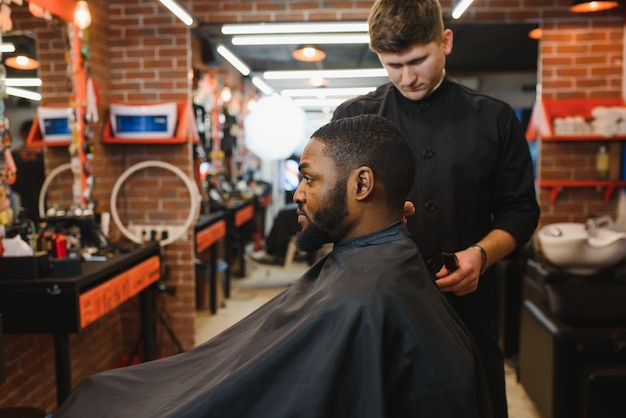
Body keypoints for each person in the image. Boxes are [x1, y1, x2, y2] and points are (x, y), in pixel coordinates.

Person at [53, 114, 493, 418]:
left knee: (97, 400)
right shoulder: (381, 268)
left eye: (308, 178)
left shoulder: (365, 298)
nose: (298, 193)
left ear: (362, 184)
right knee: (107, 393)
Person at [332, 1, 541, 417]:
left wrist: (480, 256)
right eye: (392, 65)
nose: (406, 77)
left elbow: (520, 211)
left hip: (469, 313)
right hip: (377, 311)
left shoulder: (494, 120)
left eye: (417, 60)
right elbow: (331, 212)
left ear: (445, 41)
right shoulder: (353, 120)